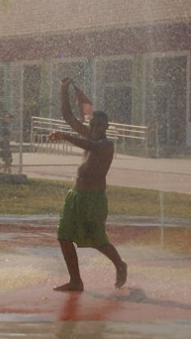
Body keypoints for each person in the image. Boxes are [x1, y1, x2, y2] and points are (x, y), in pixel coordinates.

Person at [48, 77, 127, 292]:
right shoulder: (90, 134)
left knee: (97, 240)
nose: (94, 127)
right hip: (76, 195)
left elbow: (89, 144)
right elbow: (67, 116)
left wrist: (65, 136)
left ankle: (120, 265)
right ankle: (76, 280)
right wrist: (63, 89)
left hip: (94, 199)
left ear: (106, 127)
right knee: (64, 236)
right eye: (92, 124)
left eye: (99, 125)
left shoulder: (105, 144)